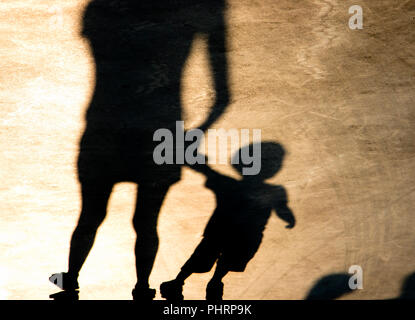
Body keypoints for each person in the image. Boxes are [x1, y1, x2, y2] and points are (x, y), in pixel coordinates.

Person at [50, 0, 230, 300]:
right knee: (147, 222)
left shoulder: (103, 8)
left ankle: (70, 281)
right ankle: (142, 287)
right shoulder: (201, 9)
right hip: (161, 130)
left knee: (90, 216)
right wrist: (191, 137)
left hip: (106, 127)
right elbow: (223, 96)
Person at [160, 142, 296, 300]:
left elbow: (206, 170)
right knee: (206, 258)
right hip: (228, 233)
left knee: (221, 259)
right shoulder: (267, 190)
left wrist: (288, 217)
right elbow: (205, 170)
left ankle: (204, 282)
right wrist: (288, 218)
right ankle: (183, 282)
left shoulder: (242, 187)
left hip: (236, 235)